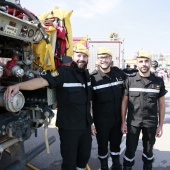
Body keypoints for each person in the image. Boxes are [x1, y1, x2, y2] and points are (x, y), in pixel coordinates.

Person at [4, 44, 95, 170]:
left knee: (84, 158)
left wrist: (91, 124)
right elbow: (42, 81)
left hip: (85, 127)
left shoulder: (87, 75)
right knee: (69, 163)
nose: (81, 58)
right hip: (69, 128)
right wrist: (19, 86)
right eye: (79, 55)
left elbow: (88, 102)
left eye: (85, 56)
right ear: (73, 56)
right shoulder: (63, 73)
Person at [121, 50, 166, 170]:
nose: (144, 64)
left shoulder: (158, 81)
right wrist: (123, 122)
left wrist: (160, 125)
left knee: (149, 149)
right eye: (141, 61)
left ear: (150, 63)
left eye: (146, 61)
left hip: (151, 123)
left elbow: (161, 105)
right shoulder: (129, 80)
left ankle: (147, 167)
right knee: (130, 149)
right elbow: (124, 102)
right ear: (137, 63)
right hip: (133, 123)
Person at [91, 47, 127, 170]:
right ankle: (104, 166)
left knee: (116, 145)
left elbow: (125, 97)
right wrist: (91, 123)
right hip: (101, 121)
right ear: (97, 59)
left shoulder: (120, 74)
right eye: (101, 57)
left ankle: (116, 165)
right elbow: (88, 103)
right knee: (102, 146)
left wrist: (124, 120)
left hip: (117, 120)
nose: (104, 60)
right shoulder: (93, 78)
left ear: (111, 59)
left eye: (106, 57)